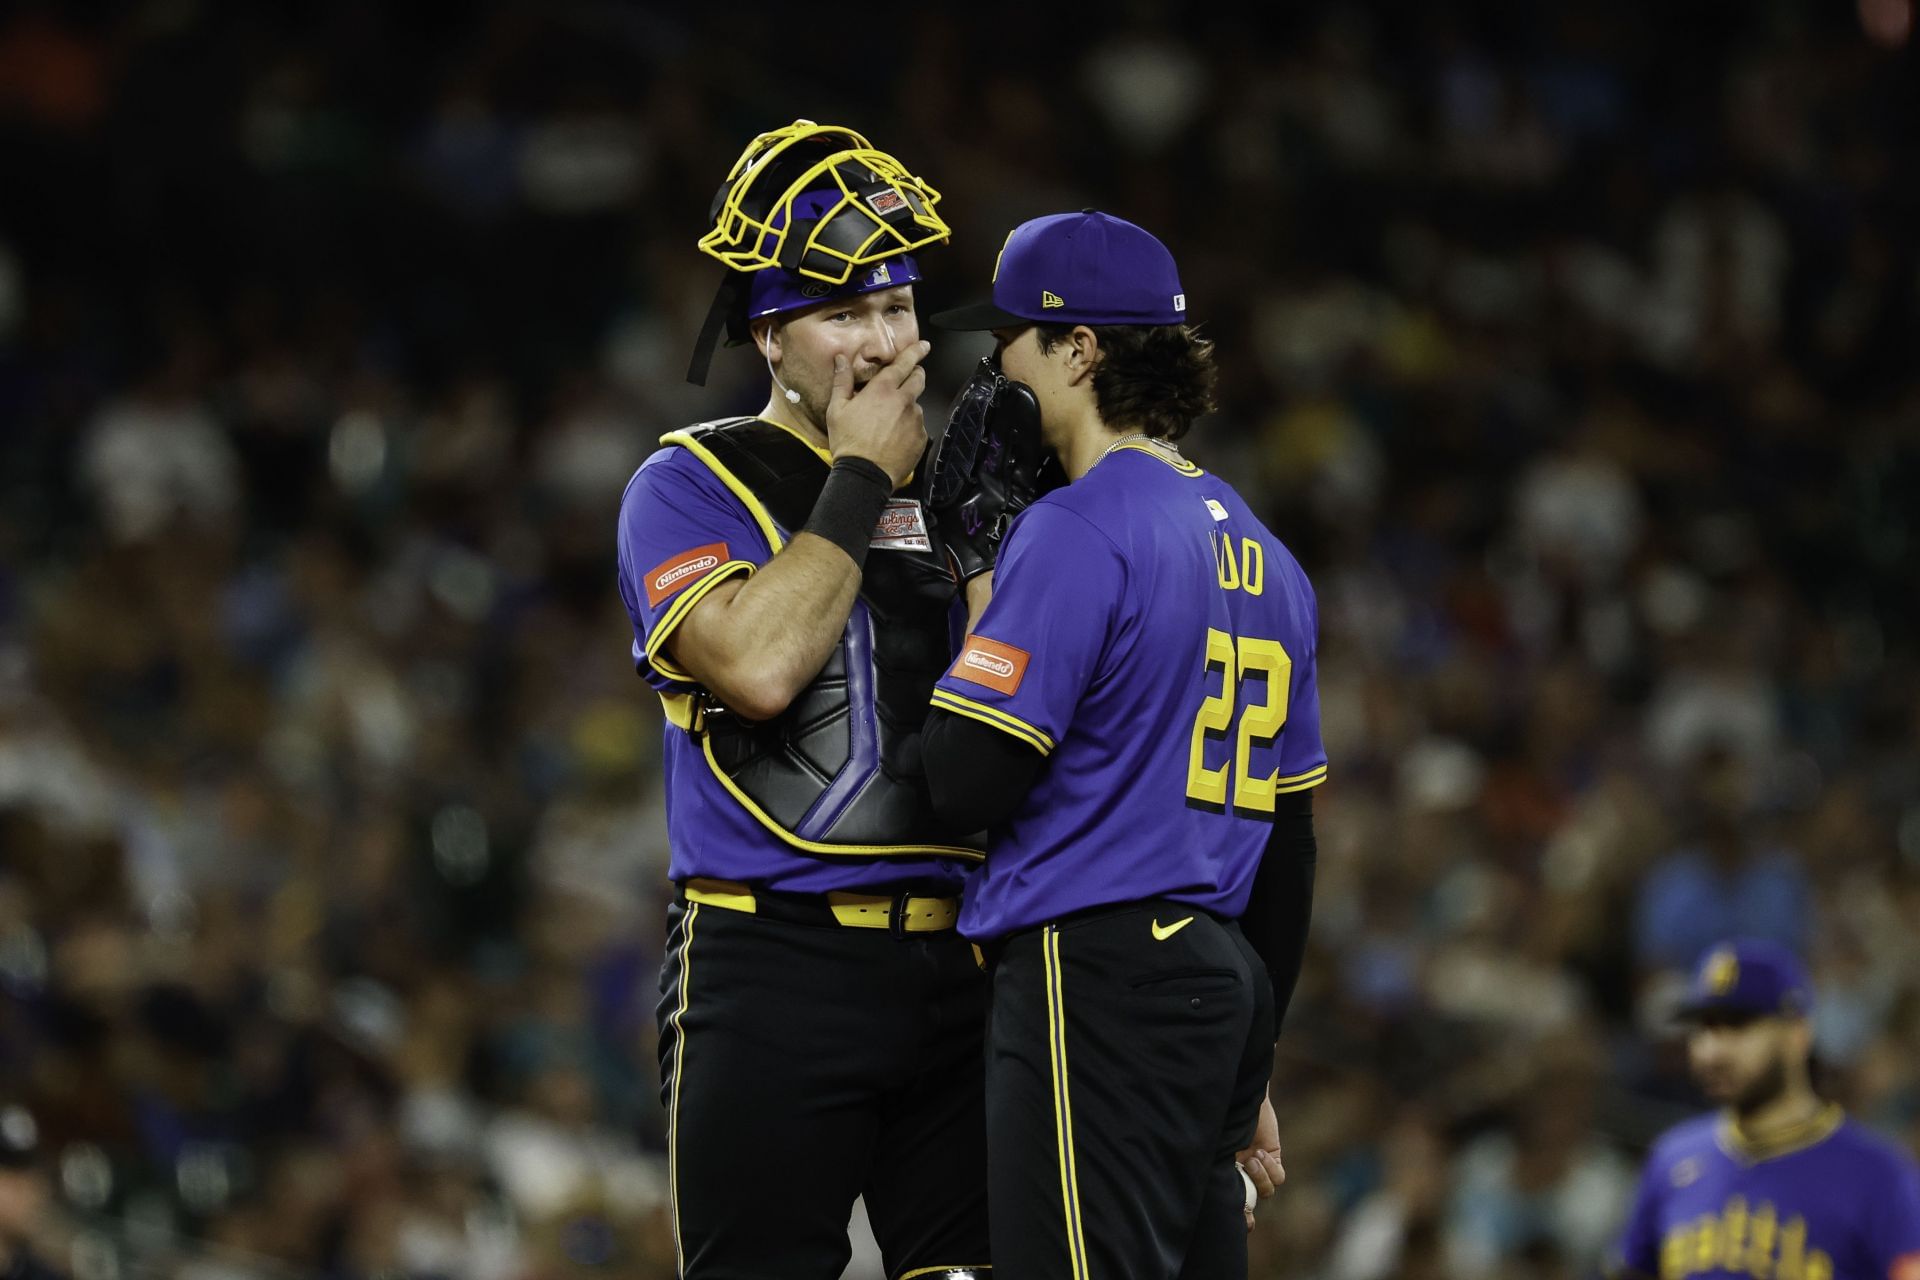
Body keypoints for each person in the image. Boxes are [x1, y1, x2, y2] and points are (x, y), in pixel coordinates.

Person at [615, 120, 989, 1279]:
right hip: (770, 957)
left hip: (967, 960)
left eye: (897, 308)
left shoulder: (979, 487)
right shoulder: (684, 483)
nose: (882, 344)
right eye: (842, 313)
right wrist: (863, 471)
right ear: (770, 332)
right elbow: (762, 668)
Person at [919, 210, 1320, 1279]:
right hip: (1220, 983)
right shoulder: (1272, 557)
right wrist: (1252, 1061)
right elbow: (1289, 848)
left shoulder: (1079, 525)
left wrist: (973, 563)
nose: (989, 363)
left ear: (1079, 348)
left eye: (1007, 336)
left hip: (1090, 971)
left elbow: (961, 776)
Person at [1609, 939, 1920, 1280]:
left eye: (1737, 1026)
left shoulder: (1877, 1176)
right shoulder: (1673, 1159)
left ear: (1797, 1034)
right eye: (1704, 1028)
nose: (1712, 1051)